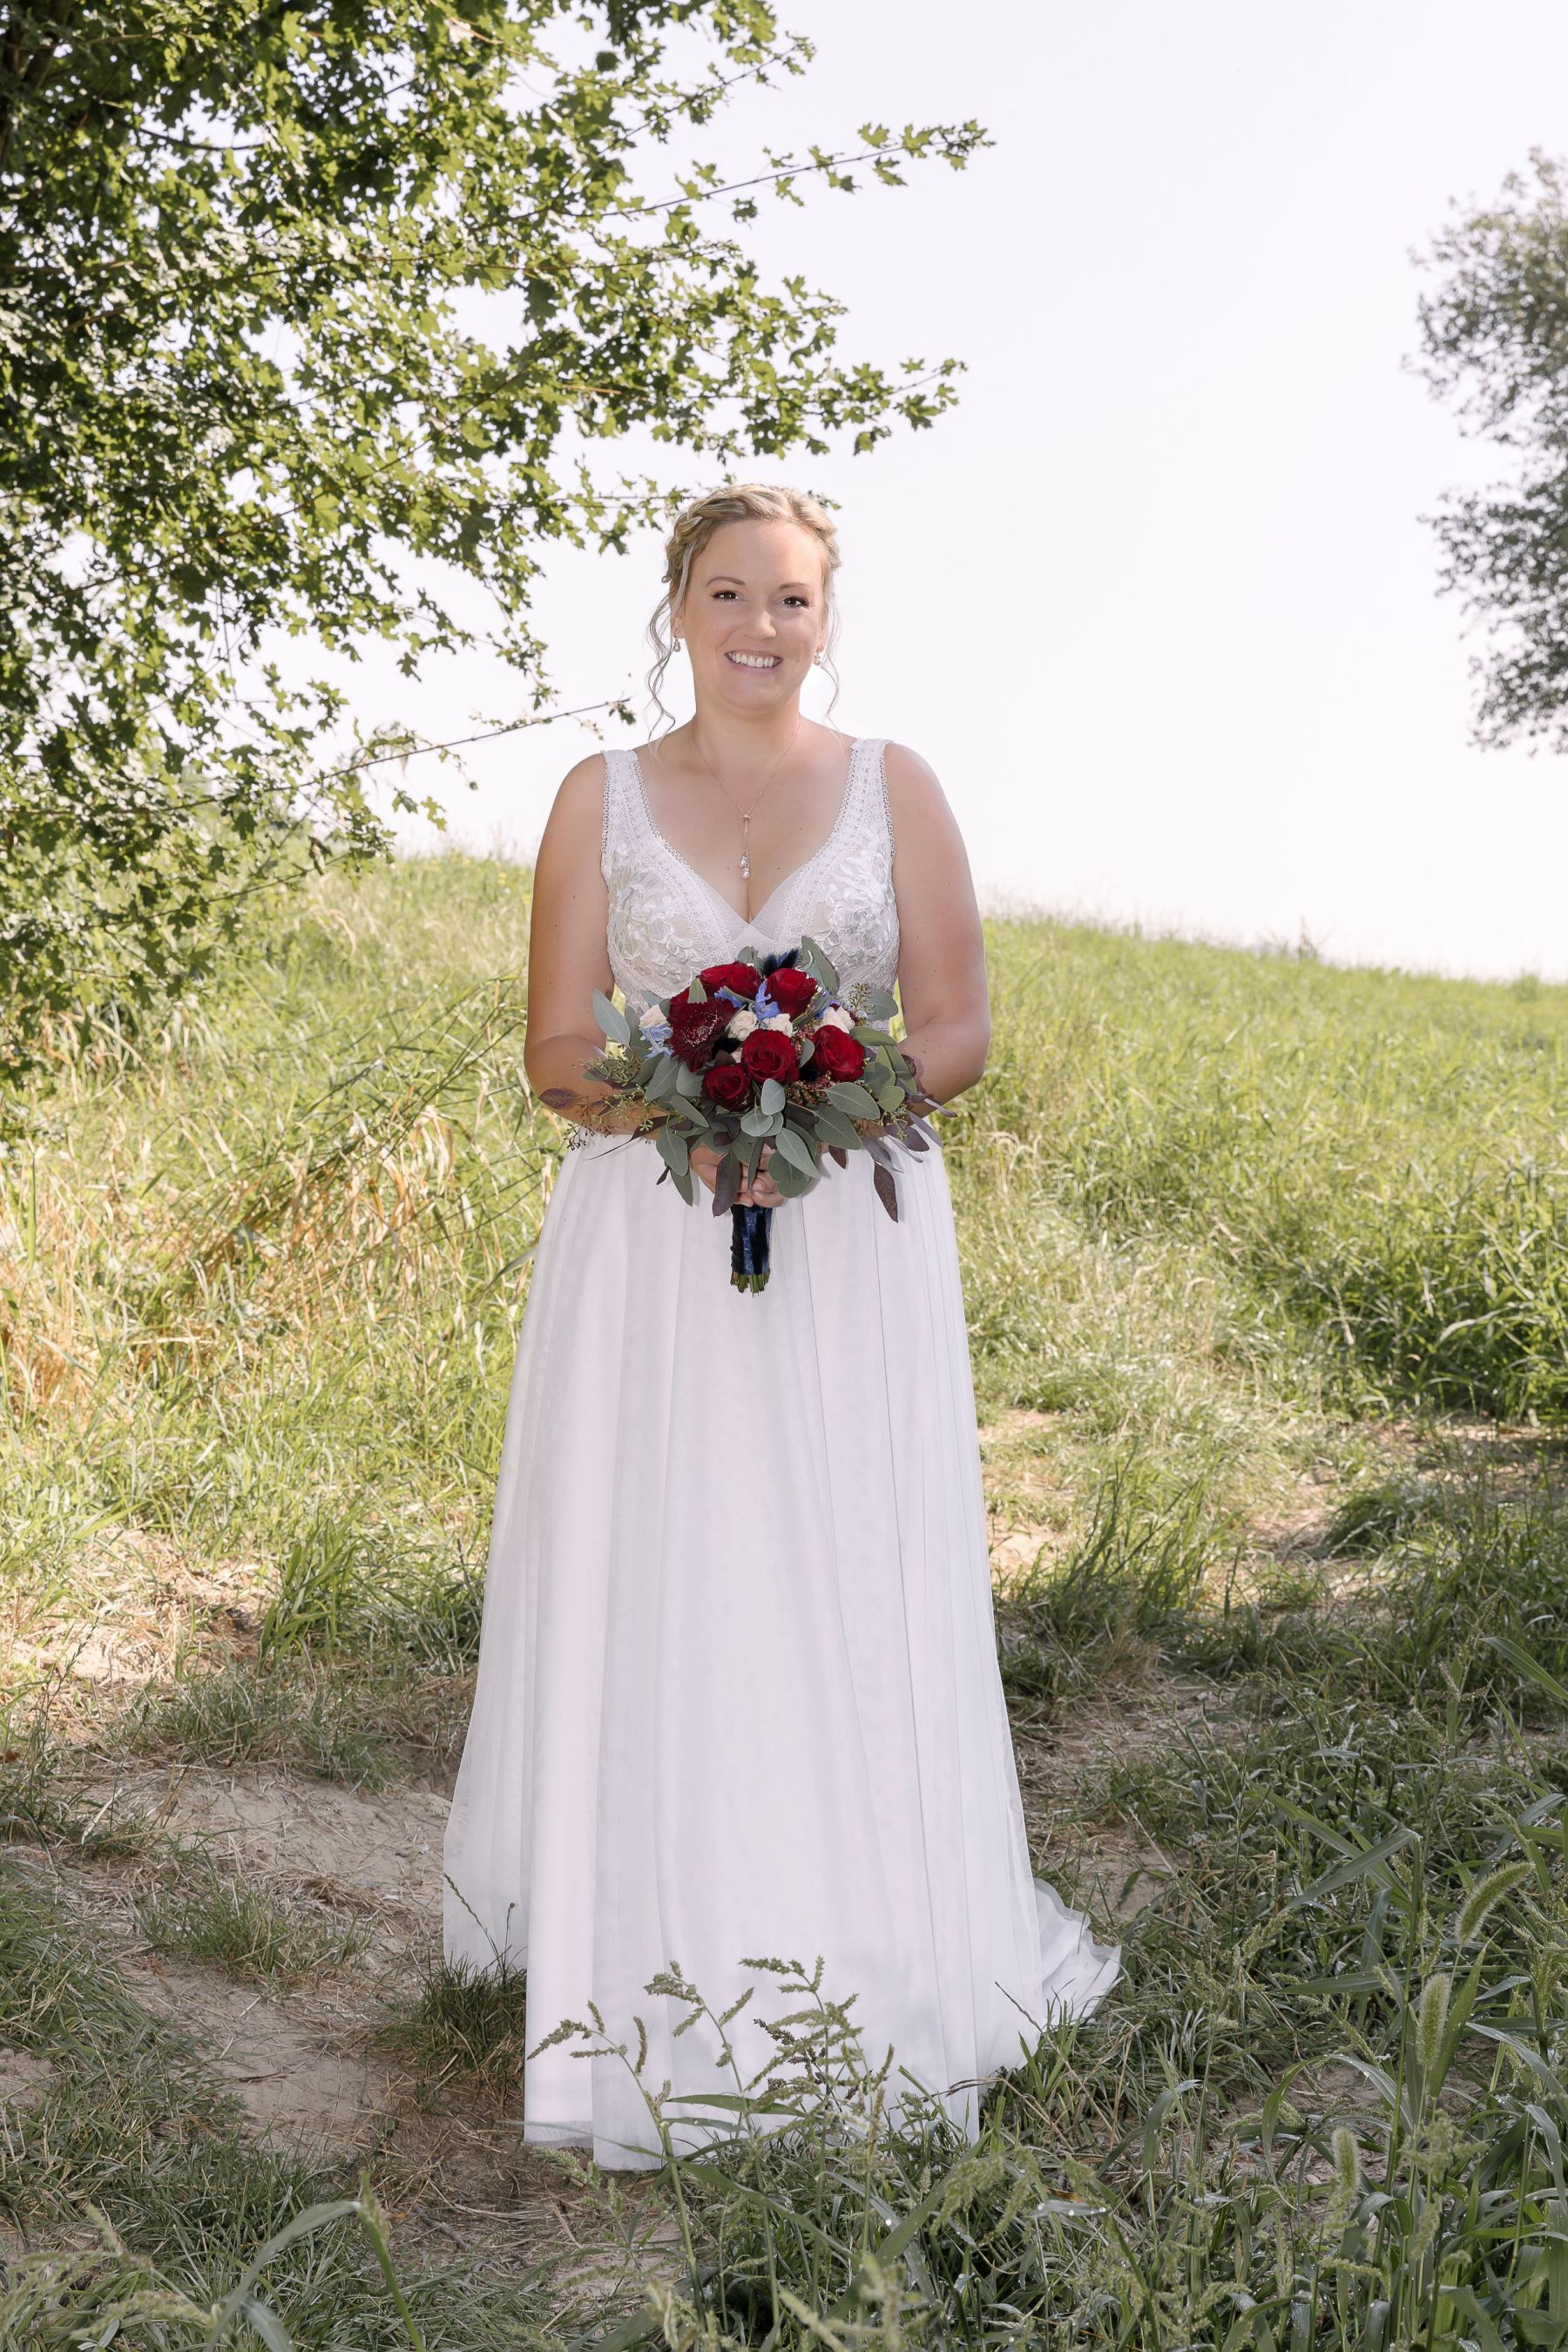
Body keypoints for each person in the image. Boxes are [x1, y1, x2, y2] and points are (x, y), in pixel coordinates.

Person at [441, 482, 1119, 2170]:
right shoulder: (597, 797)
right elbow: (554, 1049)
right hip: (649, 1241)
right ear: (677, 607)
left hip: (852, 1227)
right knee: (667, 1557)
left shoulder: (899, 787)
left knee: (837, 1554)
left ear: (828, 620)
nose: (762, 626)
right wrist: (688, 1113)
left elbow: (954, 1027)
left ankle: (866, 1937)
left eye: (793, 599)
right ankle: (640, 1933)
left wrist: (814, 1102)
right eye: (731, 593)